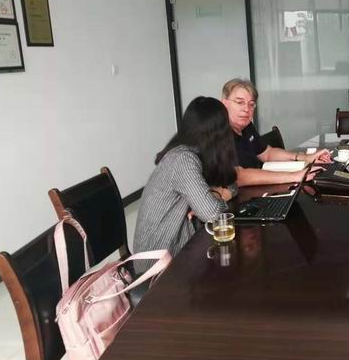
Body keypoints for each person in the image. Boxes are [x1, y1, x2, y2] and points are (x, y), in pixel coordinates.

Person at [134, 96, 237, 257]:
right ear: (219, 133)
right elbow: (212, 214)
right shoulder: (183, 159)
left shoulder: (196, 154)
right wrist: (217, 195)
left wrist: (217, 194)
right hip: (160, 260)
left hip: (180, 245)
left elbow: (231, 182)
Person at [221, 78, 331, 186]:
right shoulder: (218, 133)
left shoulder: (247, 126)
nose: (246, 109)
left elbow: (267, 154)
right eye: (239, 102)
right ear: (224, 104)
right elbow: (238, 176)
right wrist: (294, 176)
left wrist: (305, 157)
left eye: (251, 104)